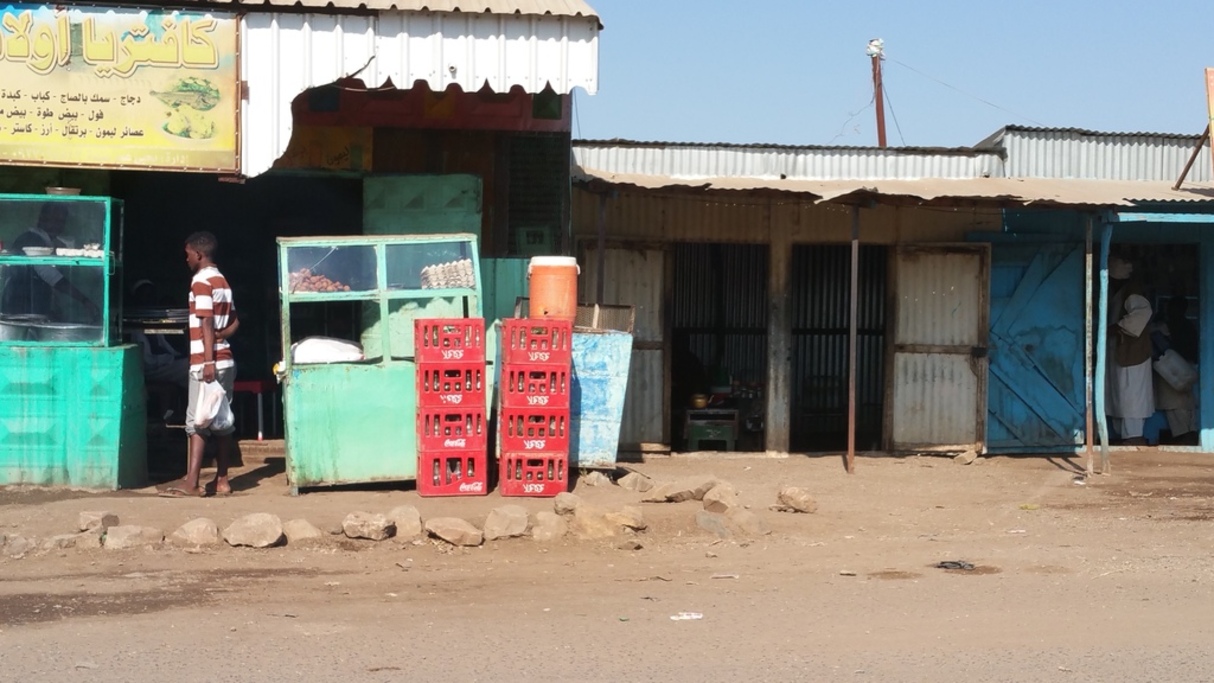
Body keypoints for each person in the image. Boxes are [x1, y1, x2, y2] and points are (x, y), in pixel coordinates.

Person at [160, 231, 239, 498]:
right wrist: (221, 337)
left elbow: (205, 321)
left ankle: (191, 483)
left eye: (188, 254)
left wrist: (207, 360)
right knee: (223, 421)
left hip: (207, 363)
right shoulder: (222, 281)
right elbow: (234, 322)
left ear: (199, 254)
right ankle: (223, 481)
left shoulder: (201, 281)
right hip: (226, 360)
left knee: (197, 422)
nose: (186, 258)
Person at [0, 203, 97, 318]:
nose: (56, 225)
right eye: (52, 220)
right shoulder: (31, 240)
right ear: (41, 219)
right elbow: (51, 276)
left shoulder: (50, 242)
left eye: (61, 221)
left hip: (33, 307)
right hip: (21, 308)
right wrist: (84, 300)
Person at [1105, 255, 1154, 445]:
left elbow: (1142, 314)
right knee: (1121, 397)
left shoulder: (1132, 291)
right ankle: (1126, 438)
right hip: (1119, 353)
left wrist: (1115, 328)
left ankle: (1134, 439)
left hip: (1133, 355)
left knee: (1131, 399)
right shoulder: (1117, 291)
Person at [1155, 296, 1199, 445]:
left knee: (1176, 404)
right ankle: (1189, 434)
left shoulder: (1171, 325)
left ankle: (1185, 436)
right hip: (1186, 367)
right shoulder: (1188, 325)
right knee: (1185, 404)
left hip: (1174, 368)